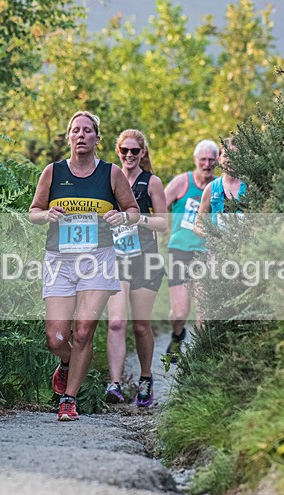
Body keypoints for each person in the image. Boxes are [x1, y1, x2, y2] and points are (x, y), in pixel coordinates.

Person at [29, 111, 140, 421]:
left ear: (97, 138)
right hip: (60, 260)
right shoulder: (52, 172)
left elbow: (133, 211)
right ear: (68, 137)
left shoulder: (111, 173)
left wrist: (121, 216)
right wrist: (47, 215)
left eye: (87, 130)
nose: (81, 135)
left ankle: (69, 399)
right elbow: (34, 211)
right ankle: (66, 363)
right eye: (76, 130)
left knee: (82, 332)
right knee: (56, 338)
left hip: (98, 259)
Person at [105, 130, 168, 407]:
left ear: (142, 153)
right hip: (117, 257)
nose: (129, 155)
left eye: (134, 151)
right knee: (116, 322)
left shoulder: (151, 182)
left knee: (141, 326)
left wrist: (137, 219)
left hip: (145, 258)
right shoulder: (110, 179)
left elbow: (163, 223)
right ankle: (115, 384)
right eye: (124, 150)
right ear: (118, 151)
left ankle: (145, 379)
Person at [163, 139, 219, 362]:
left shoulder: (218, 187)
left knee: (203, 312)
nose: (207, 164)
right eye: (203, 159)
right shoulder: (182, 182)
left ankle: (200, 359)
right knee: (180, 312)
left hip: (206, 252)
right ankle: (177, 335)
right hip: (179, 250)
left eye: (211, 160)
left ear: (217, 162)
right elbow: (159, 206)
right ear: (196, 160)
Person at [194, 137, 246, 237]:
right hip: (219, 245)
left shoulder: (250, 186)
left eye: (235, 154)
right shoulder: (211, 188)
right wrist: (205, 231)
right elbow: (198, 223)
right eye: (226, 155)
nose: (230, 159)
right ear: (219, 160)